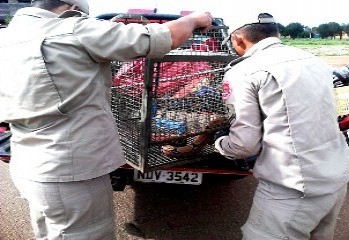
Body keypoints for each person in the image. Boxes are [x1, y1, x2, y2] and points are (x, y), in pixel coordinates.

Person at [0, 0, 213, 239]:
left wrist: (106, 29)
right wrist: (195, 19)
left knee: (50, 231)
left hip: (28, 159)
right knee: (85, 234)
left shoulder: (8, 36)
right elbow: (168, 36)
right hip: (71, 169)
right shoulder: (75, 28)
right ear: (73, 9)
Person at [214, 13, 349, 240]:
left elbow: (244, 146)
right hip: (336, 176)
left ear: (239, 38)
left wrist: (220, 142)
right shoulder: (312, 59)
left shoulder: (243, 71)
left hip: (293, 188)